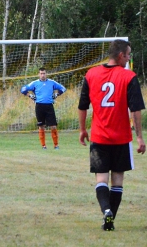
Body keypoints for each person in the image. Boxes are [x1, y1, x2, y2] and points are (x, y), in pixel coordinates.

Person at [78, 39, 146, 231]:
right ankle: (110, 220)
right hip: (121, 138)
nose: (129, 58)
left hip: (99, 137)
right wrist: (140, 136)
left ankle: (106, 211)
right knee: (117, 180)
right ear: (120, 56)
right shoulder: (129, 77)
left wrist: (83, 129)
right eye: (128, 55)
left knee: (101, 180)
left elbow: (82, 105)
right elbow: (136, 109)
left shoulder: (91, 74)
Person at [20, 67, 66, 149]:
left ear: (46, 74)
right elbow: (23, 89)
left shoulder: (52, 82)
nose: (43, 75)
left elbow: (63, 88)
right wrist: (30, 96)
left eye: (44, 73)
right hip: (39, 106)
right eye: (41, 73)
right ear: (39, 74)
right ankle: (43, 146)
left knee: (53, 126)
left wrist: (56, 94)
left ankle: (56, 145)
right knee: (41, 126)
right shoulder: (35, 83)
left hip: (49, 106)